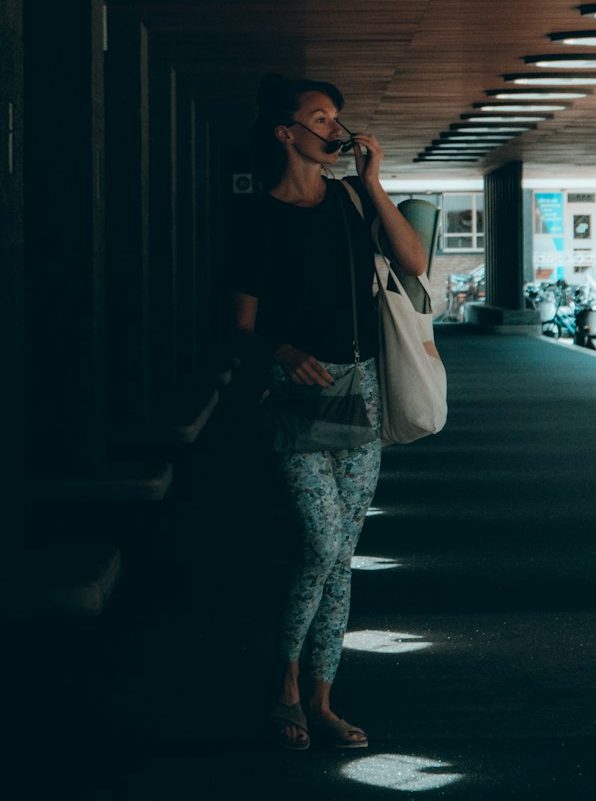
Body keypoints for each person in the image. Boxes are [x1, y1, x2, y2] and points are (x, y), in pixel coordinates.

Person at [231, 74, 427, 753]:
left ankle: (321, 700)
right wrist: (280, 351)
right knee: (321, 544)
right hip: (297, 395)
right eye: (320, 119)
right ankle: (283, 685)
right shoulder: (255, 216)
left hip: (362, 386)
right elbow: (239, 325)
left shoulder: (349, 199)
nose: (335, 131)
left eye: (337, 119)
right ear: (286, 133)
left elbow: (414, 259)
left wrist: (374, 183)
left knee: (341, 557)